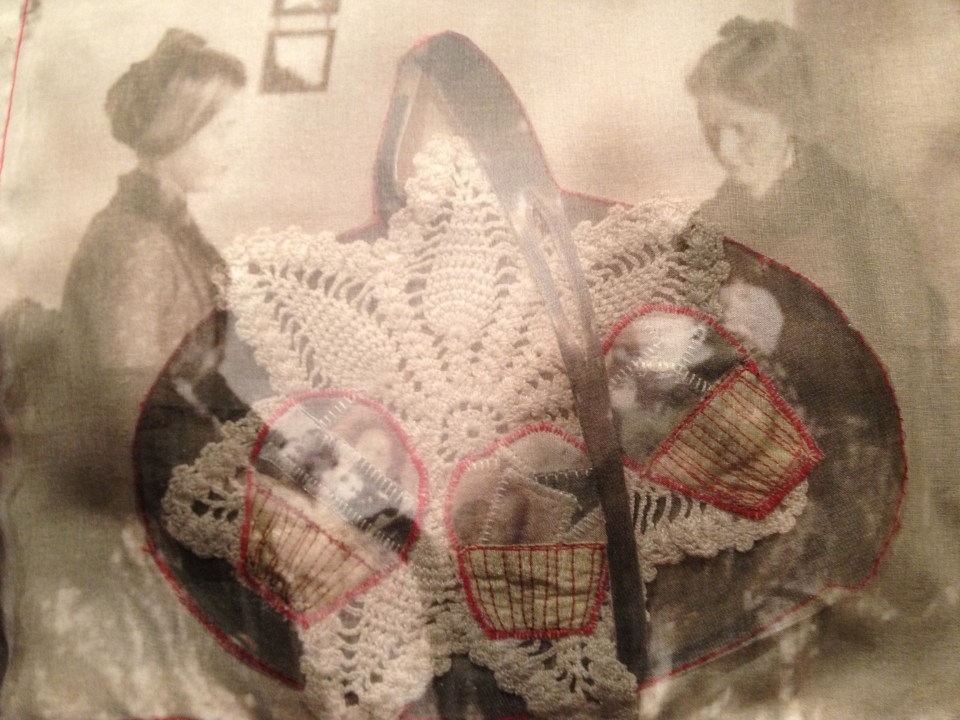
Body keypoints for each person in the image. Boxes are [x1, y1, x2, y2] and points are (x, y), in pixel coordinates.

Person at [0, 29, 306, 718]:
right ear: (175, 130)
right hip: (129, 512)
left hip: (182, 476)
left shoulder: (172, 233)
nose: (234, 146)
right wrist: (254, 489)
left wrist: (290, 460)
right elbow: (134, 419)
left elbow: (207, 384)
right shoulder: (133, 244)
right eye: (222, 129)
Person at [687, 16, 930, 356]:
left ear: (790, 119)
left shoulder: (867, 219)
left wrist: (787, 335)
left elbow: (914, 367)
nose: (725, 151)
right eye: (712, 129)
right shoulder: (706, 226)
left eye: (742, 129)